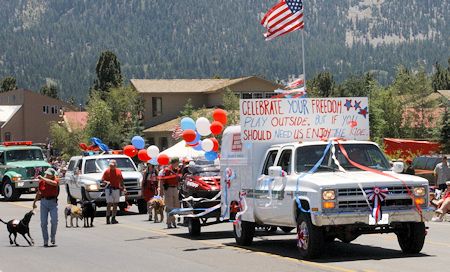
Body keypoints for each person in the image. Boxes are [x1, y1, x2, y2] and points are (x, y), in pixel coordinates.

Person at [33, 168, 60, 247]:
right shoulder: (42, 181)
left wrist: (42, 178)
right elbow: (39, 192)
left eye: (48, 174)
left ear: (52, 175)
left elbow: (54, 183)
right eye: (46, 174)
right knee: (43, 223)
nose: (47, 175)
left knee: (54, 221)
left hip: (53, 202)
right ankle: (45, 240)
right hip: (44, 202)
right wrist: (34, 202)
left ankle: (53, 237)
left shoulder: (56, 180)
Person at [158, 158, 181, 228]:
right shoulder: (167, 170)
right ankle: (169, 222)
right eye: (177, 163)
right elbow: (162, 180)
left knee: (176, 206)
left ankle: (173, 221)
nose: (178, 164)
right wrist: (161, 191)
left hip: (175, 188)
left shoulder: (177, 170)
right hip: (168, 189)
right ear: (173, 163)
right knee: (169, 206)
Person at [101, 160, 126, 224]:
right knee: (109, 203)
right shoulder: (107, 171)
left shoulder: (118, 171)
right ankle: (107, 218)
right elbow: (102, 180)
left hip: (116, 189)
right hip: (109, 189)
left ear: (115, 165)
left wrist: (124, 188)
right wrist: (107, 182)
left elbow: (121, 180)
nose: (112, 166)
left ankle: (113, 218)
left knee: (115, 204)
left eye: (113, 165)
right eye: (111, 165)